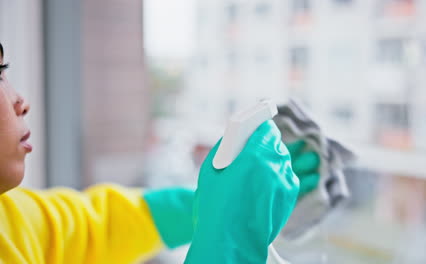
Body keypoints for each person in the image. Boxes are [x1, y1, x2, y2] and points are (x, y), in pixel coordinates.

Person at [0, 42, 320, 263]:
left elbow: (103, 226)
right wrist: (227, 246)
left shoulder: (10, 219)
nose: (21, 101)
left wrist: (210, 205)